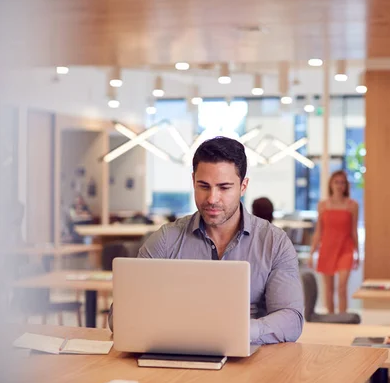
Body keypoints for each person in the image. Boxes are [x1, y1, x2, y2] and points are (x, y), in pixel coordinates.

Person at [109, 137, 304, 345]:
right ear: (193, 181)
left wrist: (239, 331)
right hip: (176, 355)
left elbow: (291, 320)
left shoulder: (273, 242)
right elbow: (119, 317)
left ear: (243, 186)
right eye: (204, 186)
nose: (212, 198)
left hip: (249, 359)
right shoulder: (166, 240)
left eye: (224, 187)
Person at [307, 170, 359, 314]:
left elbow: (354, 230)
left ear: (346, 186)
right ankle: (331, 318)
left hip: (346, 249)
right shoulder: (323, 205)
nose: (339, 185)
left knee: (342, 287)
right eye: (336, 182)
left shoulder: (352, 205)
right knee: (328, 289)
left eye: (342, 182)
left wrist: (358, 253)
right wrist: (312, 253)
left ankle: (343, 319)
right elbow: (318, 231)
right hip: (327, 249)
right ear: (331, 184)